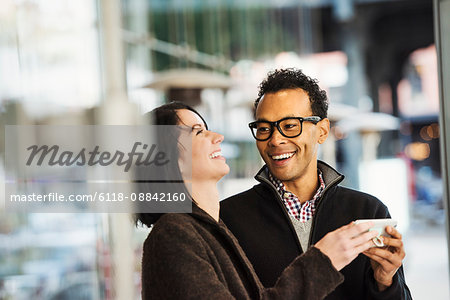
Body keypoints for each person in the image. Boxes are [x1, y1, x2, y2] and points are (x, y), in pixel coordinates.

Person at [136, 102, 381, 300]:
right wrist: (323, 261)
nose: (217, 136)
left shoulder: (210, 231)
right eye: (198, 131)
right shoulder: (172, 234)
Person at [220, 68, 412, 300]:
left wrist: (385, 282)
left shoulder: (367, 212)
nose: (275, 139)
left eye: (290, 126)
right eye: (264, 128)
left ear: (322, 131)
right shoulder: (228, 220)